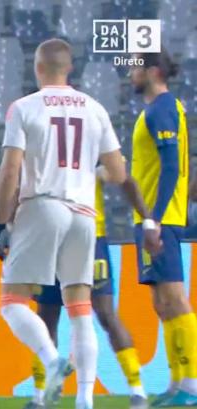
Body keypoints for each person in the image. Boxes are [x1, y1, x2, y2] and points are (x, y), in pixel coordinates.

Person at [0, 38, 156, 409]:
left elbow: (10, 170)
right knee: (80, 309)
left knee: (12, 301)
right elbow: (118, 173)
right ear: (69, 69)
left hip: (43, 207)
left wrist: (0, 224)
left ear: (38, 68)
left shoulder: (24, 107)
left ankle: (52, 361)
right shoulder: (94, 108)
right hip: (84, 216)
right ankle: (84, 400)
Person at [25, 175, 153, 409]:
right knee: (91, 316)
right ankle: (135, 391)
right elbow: (118, 175)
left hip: (61, 236)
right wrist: (147, 219)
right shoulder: (89, 152)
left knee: (55, 317)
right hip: (84, 238)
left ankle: (41, 396)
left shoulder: (44, 155)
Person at [128, 50, 197, 408]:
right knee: (161, 302)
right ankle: (176, 382)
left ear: (153, 71)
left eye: (135, 66)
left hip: (162, 218)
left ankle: (191, 384)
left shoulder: (162, 109)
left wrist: (154, 219)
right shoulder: (157, 109)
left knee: (175, 298)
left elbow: (171, 166)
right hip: (151, 218)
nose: (130, 72)